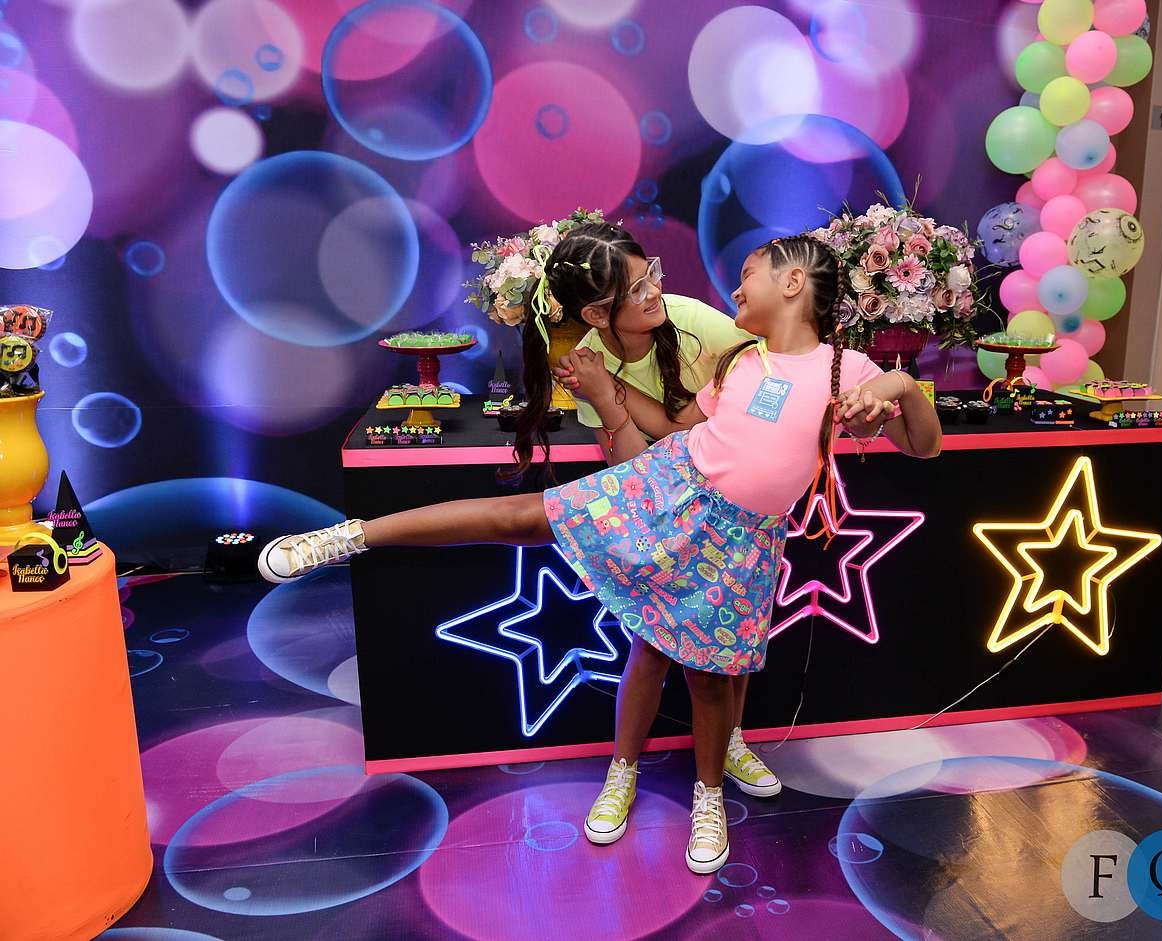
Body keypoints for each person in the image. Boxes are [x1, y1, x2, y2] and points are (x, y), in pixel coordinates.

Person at [258, 233, 942, 874]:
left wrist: (901, 386)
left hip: (742, 541)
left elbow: (924, 445)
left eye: (748, 276)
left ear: (793, 283)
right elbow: (676, 424)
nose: (735, 289)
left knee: (709, 676)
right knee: (521, 518)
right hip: (670, 487)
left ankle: (708, 798)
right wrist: (607, 390)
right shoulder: (741, 361)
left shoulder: (846, 370)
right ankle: (349, 536)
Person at [543, 224, 788, 823]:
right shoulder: (588, 362)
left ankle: (729, 743)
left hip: (735, 506)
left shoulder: (694, 321)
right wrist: (607, 399)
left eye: (650, 273)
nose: (654, 290)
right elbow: (629, 474)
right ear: (595, 314)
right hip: (660, 507)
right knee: (651, 646)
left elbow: (765, 385)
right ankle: (622, 768)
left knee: (731, 644)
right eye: (635, 288)